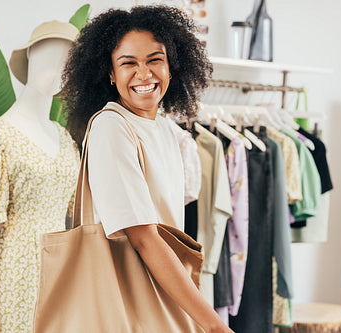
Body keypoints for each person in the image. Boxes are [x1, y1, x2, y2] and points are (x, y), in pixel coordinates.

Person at [63, 6, 234, 333]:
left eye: (155, 60)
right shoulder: (112, 128)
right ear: (110, 74)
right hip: (127, 305)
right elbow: (144, 238)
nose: (144, 74)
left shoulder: (171, 134)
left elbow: (168, 229)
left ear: (172, 66)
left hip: (163, 298)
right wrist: (213, 325)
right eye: (128, 63)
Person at [0, 21, 80, 333]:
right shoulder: (0, 135)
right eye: (51, 55)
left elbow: (76, 217)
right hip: (14, 271)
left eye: (68, 62)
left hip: (61, 274)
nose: (58, 67)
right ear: (32, 56)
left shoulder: (66, 140)